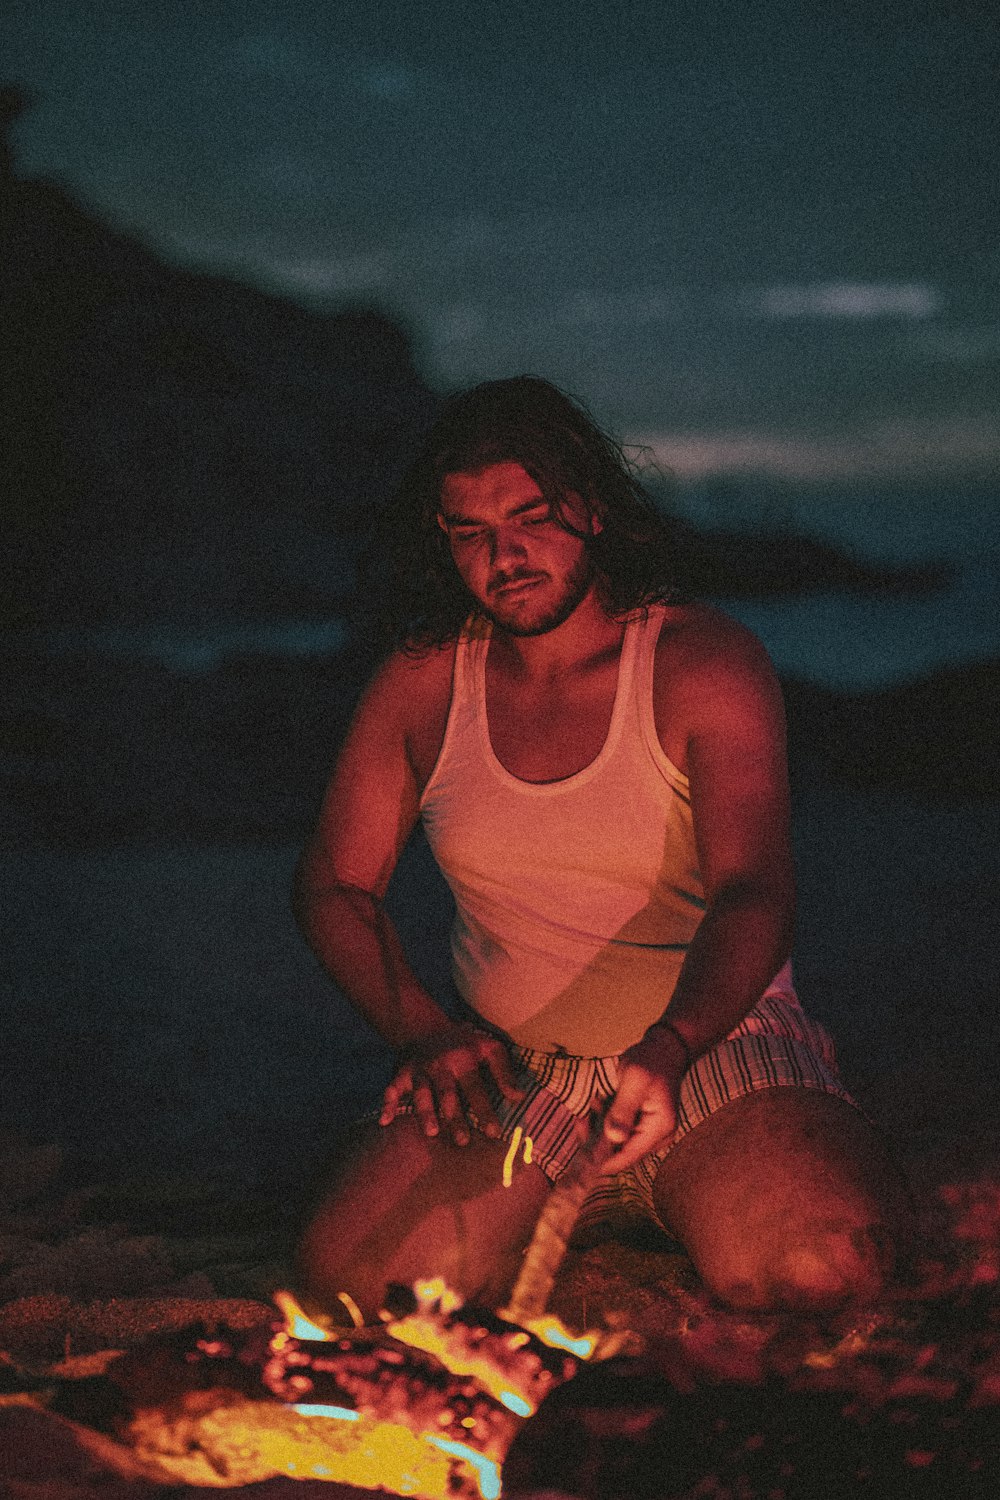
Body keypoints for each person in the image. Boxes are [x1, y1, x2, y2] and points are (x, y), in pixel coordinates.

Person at [294, 376, 904, 1322]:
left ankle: (720, 1178)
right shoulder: (423, 682)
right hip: (517, 1069)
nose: (506, 555)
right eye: (468, 530)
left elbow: (755, 893)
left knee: (826, 1272)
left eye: (531, 516)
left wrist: (672, 1044)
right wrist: (427, 1033)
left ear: (590, 508)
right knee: (354, 1294)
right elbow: (335, 888)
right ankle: (584, 1204)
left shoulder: (701, 663)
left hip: (709, 1050)